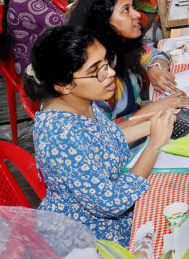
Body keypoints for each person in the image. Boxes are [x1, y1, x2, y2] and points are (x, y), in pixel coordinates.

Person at [28, 25, 177, 245]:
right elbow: (111, 203)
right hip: (93, 238)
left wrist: (157, 124)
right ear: (63, 85)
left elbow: (109, 137)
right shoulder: (57, 134)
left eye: (106, 63)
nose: (111, 73)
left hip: (115, 210)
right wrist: (155, 143)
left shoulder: (79, 102)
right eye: (96, 70)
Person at [68, 0, 189, 131]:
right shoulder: (88, 74)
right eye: (125, 10)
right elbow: (104, 137)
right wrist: (155, 108)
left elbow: (156, 54)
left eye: (132, 7)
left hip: (146, 121)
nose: (137, 14)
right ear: (102, 20)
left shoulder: (120, 46)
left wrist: (155, 68)